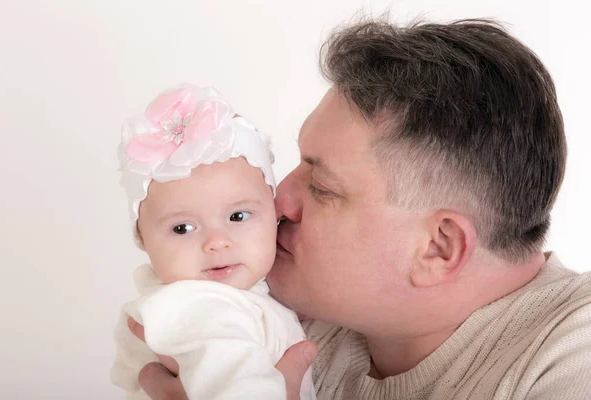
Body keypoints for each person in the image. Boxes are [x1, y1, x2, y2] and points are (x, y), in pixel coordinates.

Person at [130, 18, 591, 399]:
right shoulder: (266, 327)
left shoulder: (572, 360)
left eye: (323, 187)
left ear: (438, 248)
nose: (278, 202)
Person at [111, 84, 316, 399]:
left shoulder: (235, 298)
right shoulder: (202, 311)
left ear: (273, 211)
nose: (217, 243)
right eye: (182, 228)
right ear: (142, 239)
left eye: (238, 217)